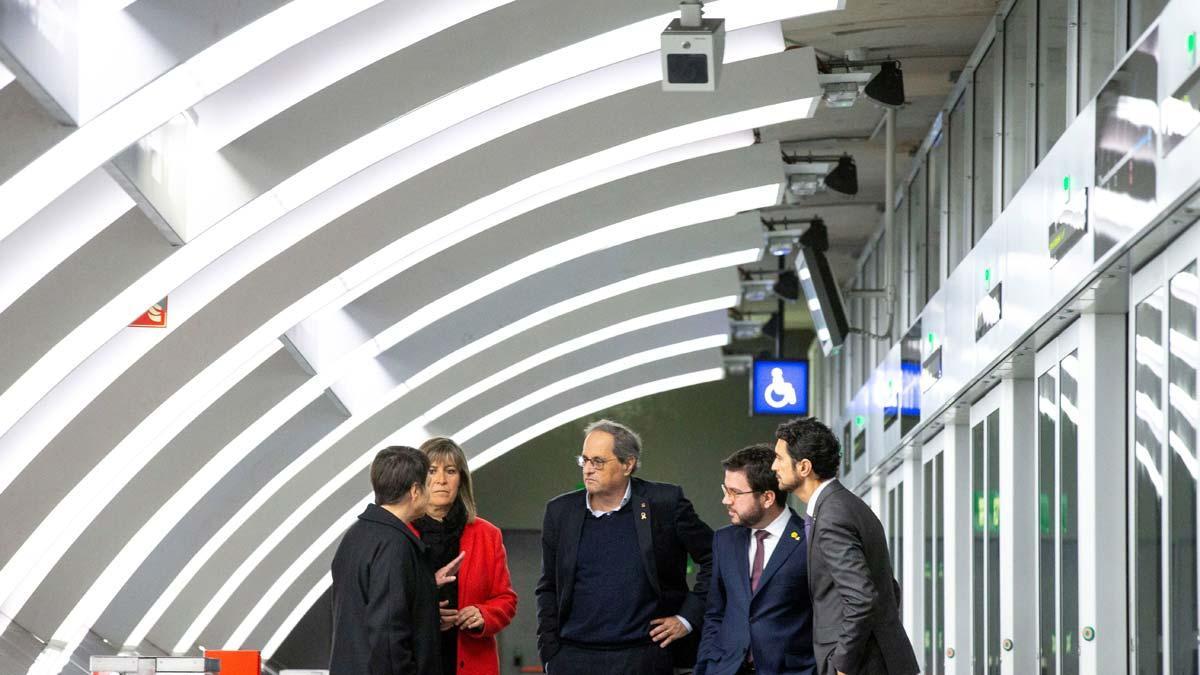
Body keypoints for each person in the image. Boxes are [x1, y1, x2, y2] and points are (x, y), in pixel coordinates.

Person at [536, 419, 714, 675]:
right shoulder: (560, 512)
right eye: (584, 460)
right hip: (573, 657)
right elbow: (548, 587)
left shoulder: (664, 503)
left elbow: (716, 557)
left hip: (643, 656)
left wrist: (686, 619)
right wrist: (550, 652)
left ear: (628, 464)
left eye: (597, 462)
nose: (587, 469)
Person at [771, 418, 919, 675]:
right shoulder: (843, 505)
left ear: (804, 467)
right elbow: (888, 589)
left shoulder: (832, 515)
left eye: (780, 458)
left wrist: (843, 663)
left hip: (860, 665)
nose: (774, 466)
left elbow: (862, 597)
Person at [329, 445, 463, 675]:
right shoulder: (395, 545)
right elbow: (389, 634)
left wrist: (425, 585)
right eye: (426, 483)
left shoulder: (357, 534)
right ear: (415, 491)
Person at [695, 444, 815, 675]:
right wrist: (706, 664)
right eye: (725, 490)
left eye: (735, 493)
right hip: (726, 668)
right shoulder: (724, 540)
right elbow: (715, 613)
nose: (726, 501)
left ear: (768, 497)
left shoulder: (809, 541)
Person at [413, 437, 518, 675]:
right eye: (432, 471)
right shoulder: (402, 533)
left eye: (450, 471)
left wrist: (483, 614)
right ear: (418, 479)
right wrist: (427, 616)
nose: (441, 480)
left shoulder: (487, 534)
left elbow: (506, 599)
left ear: (461, 479)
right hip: (416, 661)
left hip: (471, 662)